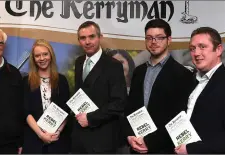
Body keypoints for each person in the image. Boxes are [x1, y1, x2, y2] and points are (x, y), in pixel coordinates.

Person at [125, 19, 195, 153]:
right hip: (136, 146)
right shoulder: (138, 71)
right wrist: (129, 136)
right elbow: (130, 108)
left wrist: (149, 142)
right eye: (149, 38)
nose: (154, 42)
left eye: (159, 38)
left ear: (169, 40)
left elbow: (180, 117)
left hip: (164, 149)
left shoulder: (183, 74)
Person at [174, 27, 225, 154]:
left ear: (219, 49)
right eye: (192, 48)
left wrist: (190, 150)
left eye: (202, 47)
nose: (196, 53)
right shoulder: (189, 82)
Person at [71, 21, 128, 153]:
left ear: (100, 37)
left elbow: (119, 103)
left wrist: (90, 118)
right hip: (80, 140)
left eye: (92, 36)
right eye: (83, 38)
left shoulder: (113, 65)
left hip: (103, 140)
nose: (87, 41)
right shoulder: (79, 62)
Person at [22, 39, 71, 154]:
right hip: (33, 141)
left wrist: (57, 132)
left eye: (45, 54)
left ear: (51, 55)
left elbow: (66, 110)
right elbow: (26, 112)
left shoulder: (62, 80)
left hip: (57, 142)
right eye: (37, 55)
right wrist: (41, 134)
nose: (42, 58)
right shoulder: (26, 81)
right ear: (33, 59)